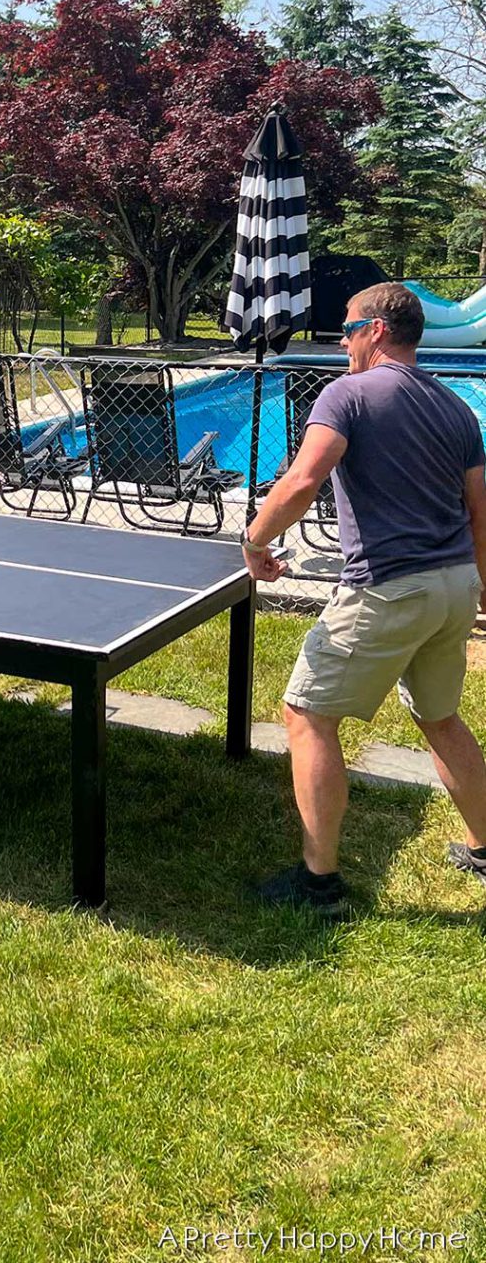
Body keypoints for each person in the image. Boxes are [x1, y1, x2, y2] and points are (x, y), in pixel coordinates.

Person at [241, 282, 486, 917]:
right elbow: (480, 513)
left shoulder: (346, 394)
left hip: (389, 586)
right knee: (440, 718)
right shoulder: (456, 407)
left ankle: (318, 882)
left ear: (376, 331)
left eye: (347, 330)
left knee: (306, 715)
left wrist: (255, 540)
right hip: (455, 586)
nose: (342, 342)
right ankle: (485, 847)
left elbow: (303, 477)